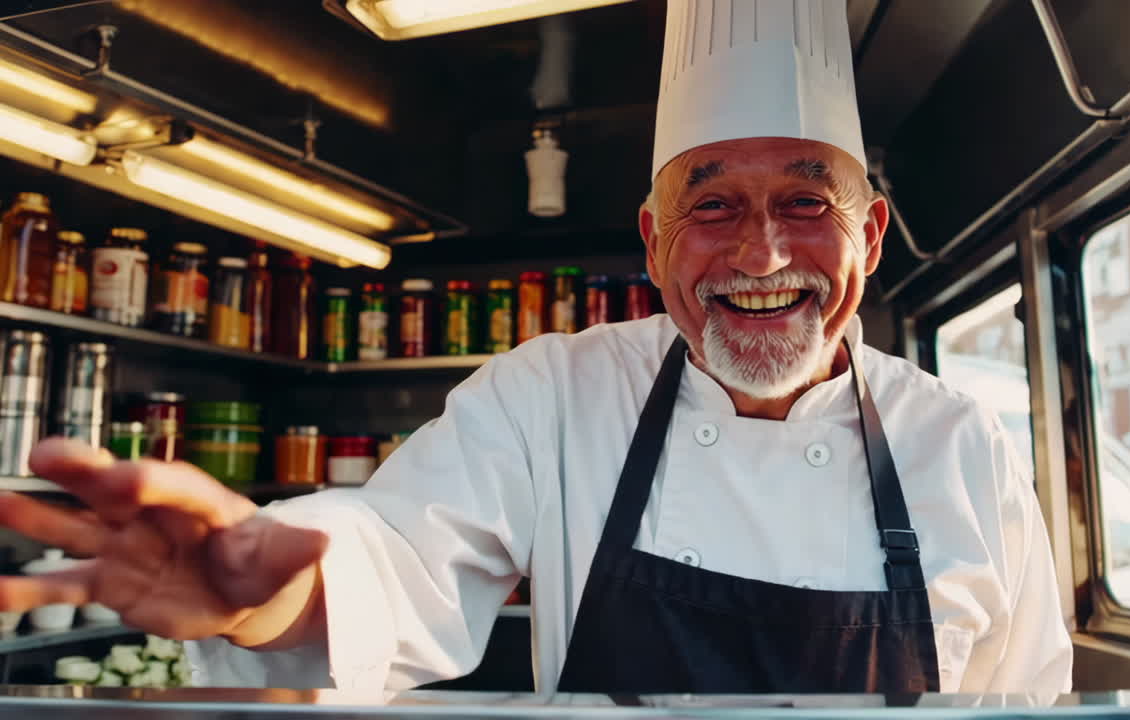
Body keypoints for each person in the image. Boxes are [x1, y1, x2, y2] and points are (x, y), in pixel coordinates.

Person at [0, 0, 1072, 696]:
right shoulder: (554, 392)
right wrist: (259, 586)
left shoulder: (961, 442)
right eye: (711, 209)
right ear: (651, 242)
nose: (760, 251)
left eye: (804, 200)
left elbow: (1035, 699)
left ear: (869, 234)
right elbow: (397, 551)